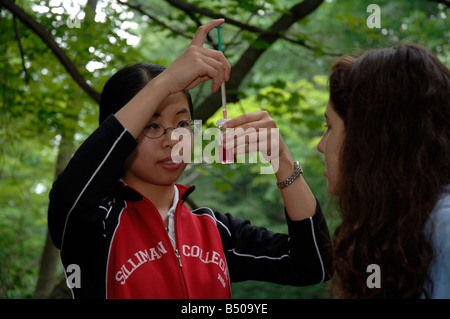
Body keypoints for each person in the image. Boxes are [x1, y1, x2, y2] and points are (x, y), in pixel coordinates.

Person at [48, 19, 332, 299]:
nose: (173, 140)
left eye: (183, 124)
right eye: (151, 125)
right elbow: (68, 194)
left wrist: (282, 160)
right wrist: (164, 84)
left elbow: (315, 265)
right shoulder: (93, 221)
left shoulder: (215, 230)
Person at [317, 44, 450, 298]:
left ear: (367, 138)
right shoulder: (398, 224)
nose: (321, 145)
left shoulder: (444, 227)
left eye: (330, 127)